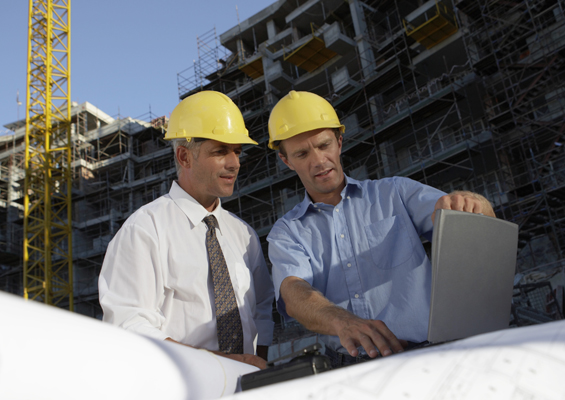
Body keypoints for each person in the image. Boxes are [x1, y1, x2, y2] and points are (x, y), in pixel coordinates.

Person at [266, 90, 495, 368]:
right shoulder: (287, 231)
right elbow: (293, 293)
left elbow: (473, 220)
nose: (318, 160)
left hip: (428, 355)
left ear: (339, 142)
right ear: (286, 161)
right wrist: (342, 321)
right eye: (302, 153)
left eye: (324, 145)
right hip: (348, 367)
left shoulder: (396, 192)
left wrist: (472, 203)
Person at [99, 91, 274, 369]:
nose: (235, 163)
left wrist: (256, 366)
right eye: (220, 151)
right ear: (184, 156)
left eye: (237, 151)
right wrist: (222, 364)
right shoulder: (145, 229)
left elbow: (262, 309)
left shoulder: (244, 235)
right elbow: (129, 325)